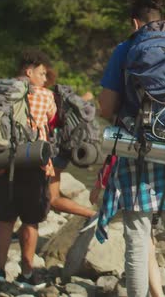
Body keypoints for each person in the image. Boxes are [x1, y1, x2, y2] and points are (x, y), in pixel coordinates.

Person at [95, 0, 165, 297]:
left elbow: (105, 107)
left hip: (137, 146)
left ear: (135, 21)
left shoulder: (127, 47)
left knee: (138, 235)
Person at [0, 49, 56, 291]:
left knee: (4, 219)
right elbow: (52, 120)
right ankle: (26, 274)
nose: (45, 79)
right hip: (32, 163)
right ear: (29, 72)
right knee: (30, 221)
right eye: (41, 73)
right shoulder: (45, 95)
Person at [44, 66, 98, 231]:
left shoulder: (43, 97)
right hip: (64, 149)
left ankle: (92, 215)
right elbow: (89, 96)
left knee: (52, 198)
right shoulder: (63, 97)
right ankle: (24, 230)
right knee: (45, 195)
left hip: (52, 152)